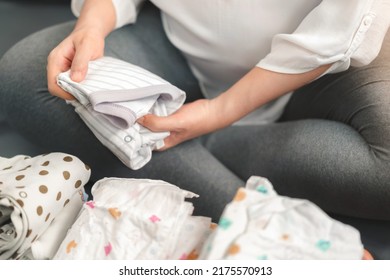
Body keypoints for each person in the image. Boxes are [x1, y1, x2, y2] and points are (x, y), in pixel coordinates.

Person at [0, 0, 389, 224]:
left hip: (323, 71)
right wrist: (93, 23)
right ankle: (259, 222)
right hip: (172, 50)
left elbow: (339, 30)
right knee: (30, 74)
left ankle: (183, 141)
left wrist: (222, 111)